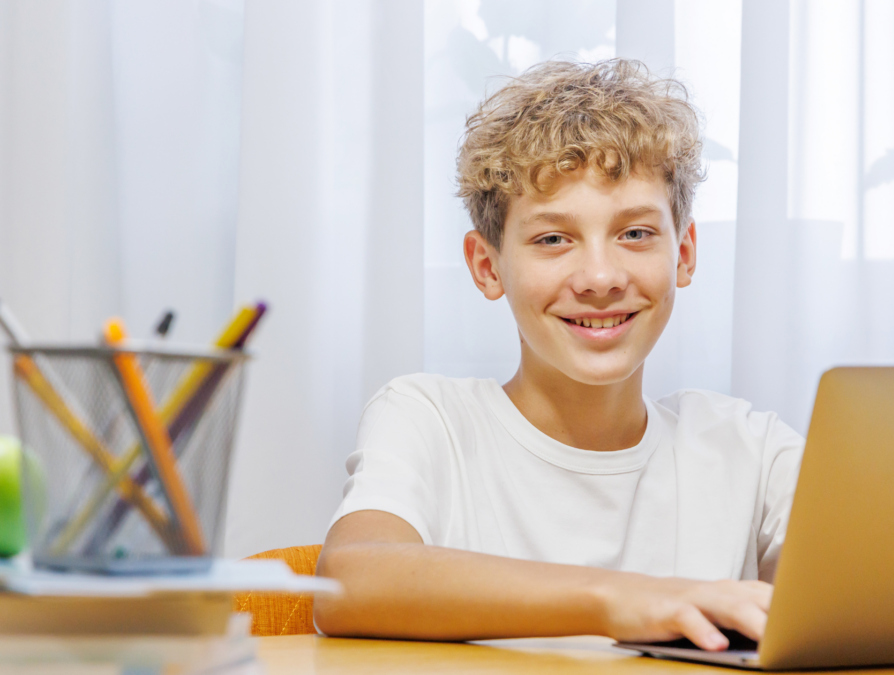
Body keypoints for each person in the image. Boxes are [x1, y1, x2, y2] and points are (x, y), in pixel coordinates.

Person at [314, 59, 803, 652]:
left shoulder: (751, 449)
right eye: (552, 239)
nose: (600, 277)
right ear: (487, 266)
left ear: (684, 254)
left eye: (636, 233)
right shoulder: (430, 420)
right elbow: (349, 583)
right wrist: (622, 599)